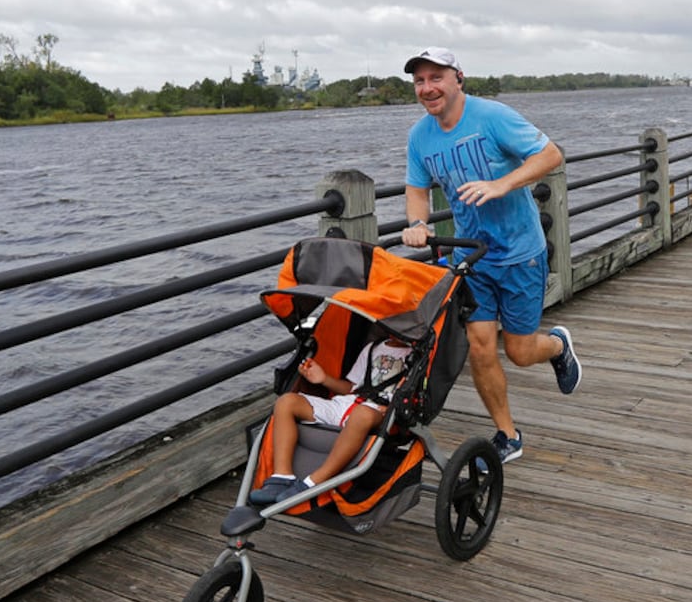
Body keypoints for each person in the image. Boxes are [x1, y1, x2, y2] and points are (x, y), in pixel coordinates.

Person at [399, 47, 581, 465]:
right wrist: (418, 223)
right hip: (473, 256)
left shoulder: (492, 116)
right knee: (481, 348)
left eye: (436, 78)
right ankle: (507, 434)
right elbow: (417, 187)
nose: (428, 88)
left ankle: (556, 346)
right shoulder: (419, 137)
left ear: (458, 78)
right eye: (419, 81)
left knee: (518, 351)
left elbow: (551, 154)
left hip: (520, 253)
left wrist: (501, 185)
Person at [248, 335, 412, 506]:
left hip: (380, 412)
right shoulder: (373, 347)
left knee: (362, 414)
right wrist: (323, 379)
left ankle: (316, 480)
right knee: (286, 402)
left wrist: (395, 409)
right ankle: (282, 476)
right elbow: (351, 388)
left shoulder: (416, 355)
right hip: (348, 404)